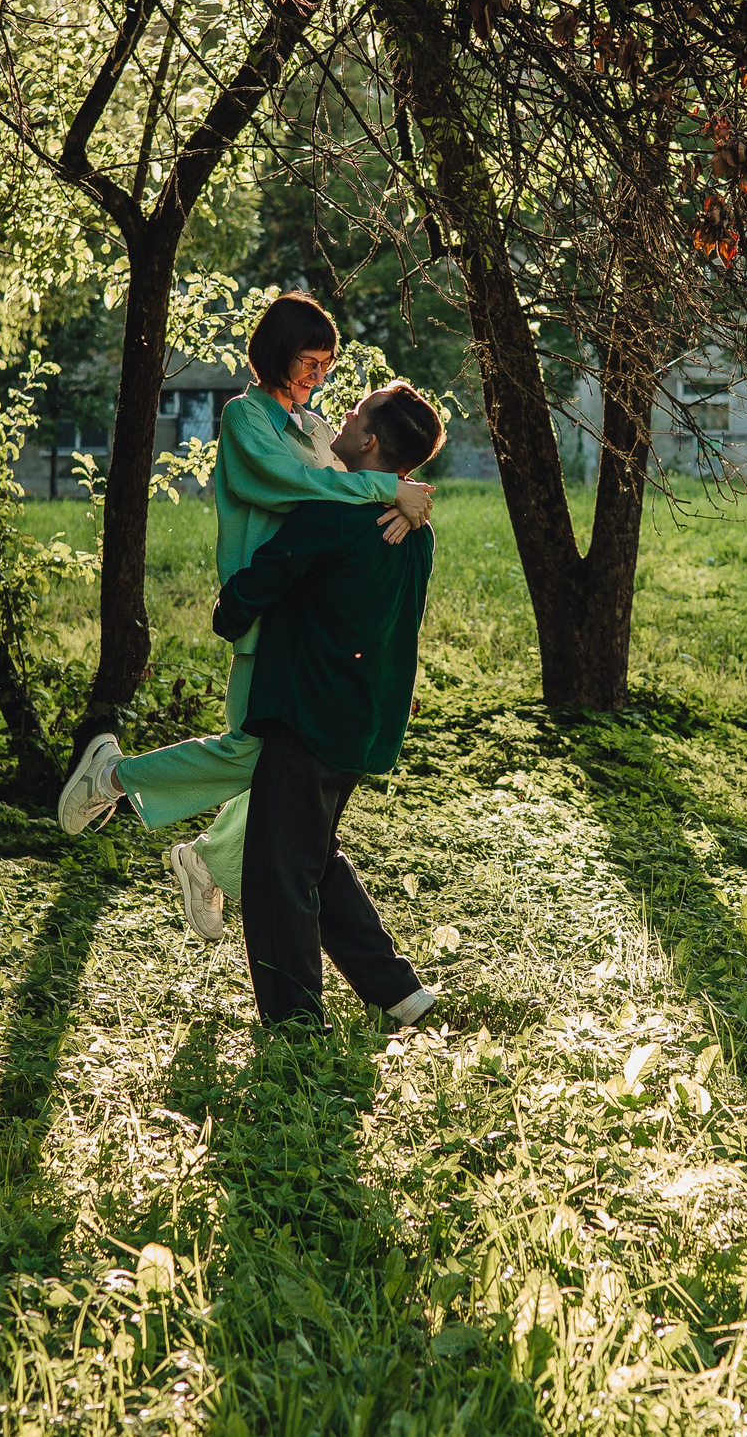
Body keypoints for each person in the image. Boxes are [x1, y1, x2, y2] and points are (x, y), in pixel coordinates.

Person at [55, 295, 431, 941]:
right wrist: (386, 489)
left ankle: (197, 852)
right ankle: (115, 778)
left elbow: (361, 492)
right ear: (274, 353)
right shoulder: (246, 419)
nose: (317, 374)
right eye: (306, 360)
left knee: (270, 764)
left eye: (326, 363)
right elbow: (296, 488)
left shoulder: (313, 428)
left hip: (305, 624)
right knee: (255, 756)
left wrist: (413, 501)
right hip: (264, 610)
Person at [210, 384, 448, 1028]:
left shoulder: (327, 515)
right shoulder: (415, 532)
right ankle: (398, 992)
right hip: (364, 718)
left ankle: (296, 1023)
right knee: (310, 852)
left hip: (307, 711)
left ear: (368, 441)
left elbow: (248, 597)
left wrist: (229, 610)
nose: (340, 420)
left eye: (353, 416)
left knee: (278, 875)